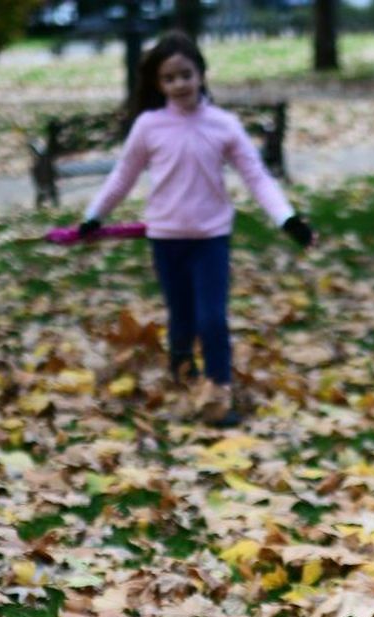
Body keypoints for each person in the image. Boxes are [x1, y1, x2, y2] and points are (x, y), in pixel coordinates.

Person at [78, 30, 314, 427]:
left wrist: (288, 220)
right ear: (159, 84)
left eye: (186, 74)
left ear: (201, 73)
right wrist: (93, 216)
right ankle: (184, 383)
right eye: (169, 79)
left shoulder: (224, 125)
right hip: (167, 240)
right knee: (182, 318)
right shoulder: (149, 126)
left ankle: (219, 393)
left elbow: (257, 178)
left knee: (212, 318)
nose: (179, 84)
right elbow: (123, 175)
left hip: (210, 239)